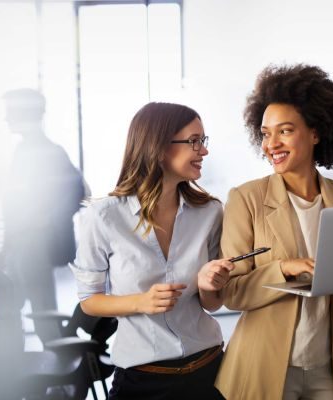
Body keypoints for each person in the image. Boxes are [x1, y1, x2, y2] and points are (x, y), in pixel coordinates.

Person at [215, 64, 333, 400]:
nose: (270, 144)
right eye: (264, 133)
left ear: (316, 132)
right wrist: (285, 269)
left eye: (285, 131)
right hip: (265, 364)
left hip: (330, 366)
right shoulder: (245, 200)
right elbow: (231, 293)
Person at [70, 102, 233, 400]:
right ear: (158, 147)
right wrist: (141, 302)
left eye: (203, 141)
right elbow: (89, 302)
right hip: (142, 380)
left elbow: (211, 304)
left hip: (209, 371)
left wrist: (211, 285)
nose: (204, 151)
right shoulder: (103, 217)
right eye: (194, 141)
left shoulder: (210, 212)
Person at [0, 88, 85, 342]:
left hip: (31, 246)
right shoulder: (28, 150)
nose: (6, 118)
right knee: (17, 312)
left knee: (42, 315)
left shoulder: (44, 153)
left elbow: (75, 193)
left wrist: (42, 224)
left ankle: (64, 371)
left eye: (10, 112)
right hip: (22, 246)